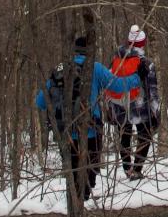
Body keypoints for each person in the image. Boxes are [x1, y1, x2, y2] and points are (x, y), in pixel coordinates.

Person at [36, 35, 139, 201]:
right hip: (91, 131)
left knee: (74, 175)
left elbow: (40, 102)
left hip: (66, 134)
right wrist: (137, 77)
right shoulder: (95, 68)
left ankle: (76, 210)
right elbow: (119, 86)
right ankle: (83, 208)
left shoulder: (60, 70)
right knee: (89, 175)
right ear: (89, 51)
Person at [105, 24, 161, 180]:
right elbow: (153, 91)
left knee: (124, 137)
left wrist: (110, 108)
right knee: (145, 134)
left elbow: (109, 84)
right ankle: (136, 170)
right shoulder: (146, 64)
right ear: (142, 44)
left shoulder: (116, 60)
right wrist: (156, 112)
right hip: (140, 107)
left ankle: (127, 168)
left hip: (119, 106)